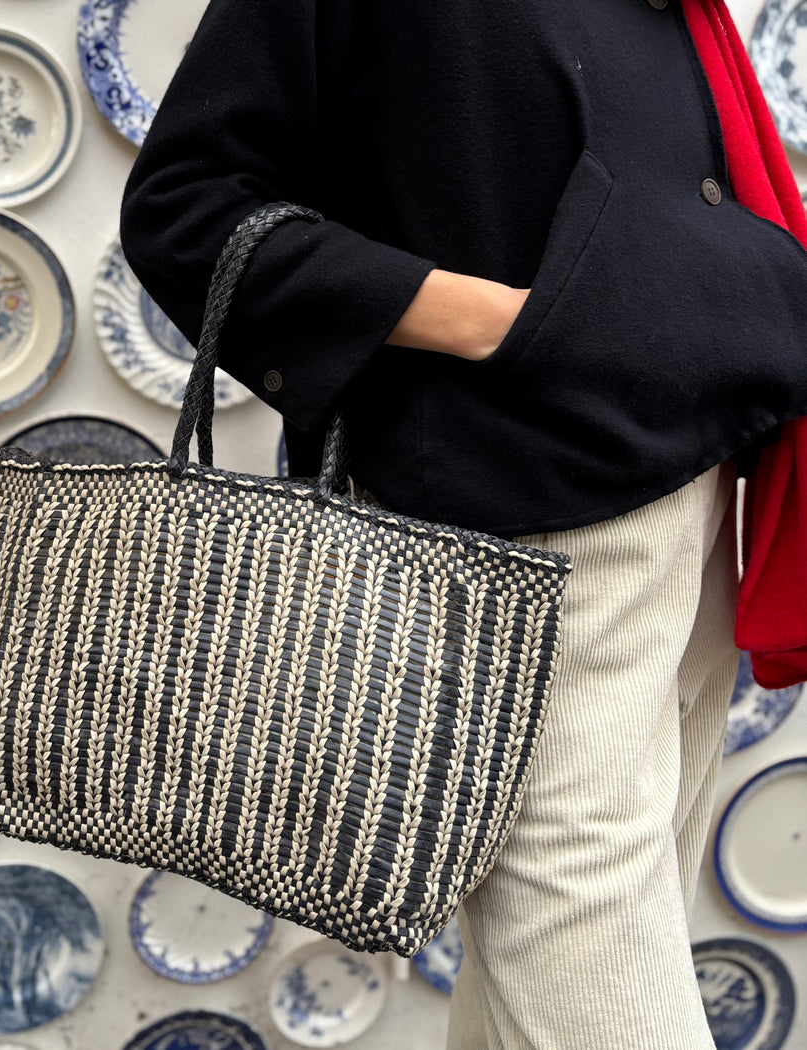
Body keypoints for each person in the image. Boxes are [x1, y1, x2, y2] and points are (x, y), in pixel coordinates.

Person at [118, 2, 807, 1047]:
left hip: (699, 476)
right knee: (588, 939)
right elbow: (188, 207)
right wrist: (503, 325)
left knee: (572, 949)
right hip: (527, 508)